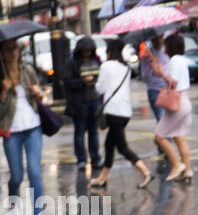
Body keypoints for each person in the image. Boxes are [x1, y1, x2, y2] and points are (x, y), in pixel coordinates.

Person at [0, 39, 47, 215]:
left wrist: (38, 93)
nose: (14, 52)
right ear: (2, 54)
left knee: (34, 172)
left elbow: (40, 95)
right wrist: (4, 91)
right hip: (11, 130)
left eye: (15, 48)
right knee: (16, 176)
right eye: (9, 49)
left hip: (33, 127)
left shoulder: (27, 71)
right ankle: (13, 205)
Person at [91, 39, 153, 189]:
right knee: (109, 145)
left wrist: (92, 81)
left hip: (113, 111)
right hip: (125, 112)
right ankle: (102, 178)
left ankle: (146, 172)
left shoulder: (106, 66)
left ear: (109, 52)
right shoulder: (126, 68)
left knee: (122, 148)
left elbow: (100, 89)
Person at [154, 32, 194, 183]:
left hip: (176, 103)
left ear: (170, 46)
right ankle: (187, 170)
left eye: (166, 44)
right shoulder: (180, 60)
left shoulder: (175, 61)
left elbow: (174, 83)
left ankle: (177, 165)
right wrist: (159, 70)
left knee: (160, 136)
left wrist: (163, 74)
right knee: (179, 137)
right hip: (184, 101)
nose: (164, 46)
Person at [62, 36, 101, 173]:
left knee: (93, 132)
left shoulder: (96, 61)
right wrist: (82, 81)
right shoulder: (71, 63)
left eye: (89, 51)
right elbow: (67, 82)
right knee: (79, 132)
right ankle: (81, 159)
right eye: (85, 51)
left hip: (94, 100)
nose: (87, 53)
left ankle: (95, 158)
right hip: (79, 103)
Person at [140, 34, 169, 124]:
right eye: (155, 38)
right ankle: (164, 138)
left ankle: (161, 138)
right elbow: (145, 77)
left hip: (168, 91)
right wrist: (151, 64)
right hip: (154, 91)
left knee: (168, 122)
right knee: (162, 120)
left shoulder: (168, 52)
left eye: (160, 37)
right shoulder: (147, 56)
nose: (158, 41)